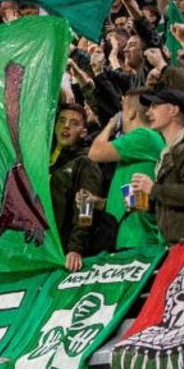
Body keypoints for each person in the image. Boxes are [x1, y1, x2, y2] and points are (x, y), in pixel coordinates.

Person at [88, 87, 165, 249]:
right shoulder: (136, 146)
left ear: (131, 113)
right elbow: (130, 195)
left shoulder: (144, 136)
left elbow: (94, 152)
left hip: (138, 239)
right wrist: (100, 203)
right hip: (125, 238)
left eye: (122, 110)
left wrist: (110, 126)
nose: (119, 115)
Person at [131, 88, 184, 243]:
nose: (148, 112)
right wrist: (147, 205)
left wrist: (153, 189)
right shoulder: (167, 152)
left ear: (173, 110)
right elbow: (174, 204)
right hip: (174, 245)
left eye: (155, 106)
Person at [50, 104, 103, 271]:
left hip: (66, 254)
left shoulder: (86, 163)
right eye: (62, 121)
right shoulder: (45, 161)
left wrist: (76, 248)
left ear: (83, 132)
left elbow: (87, 206)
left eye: (74, 123)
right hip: (44, 247)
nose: (66, 126)